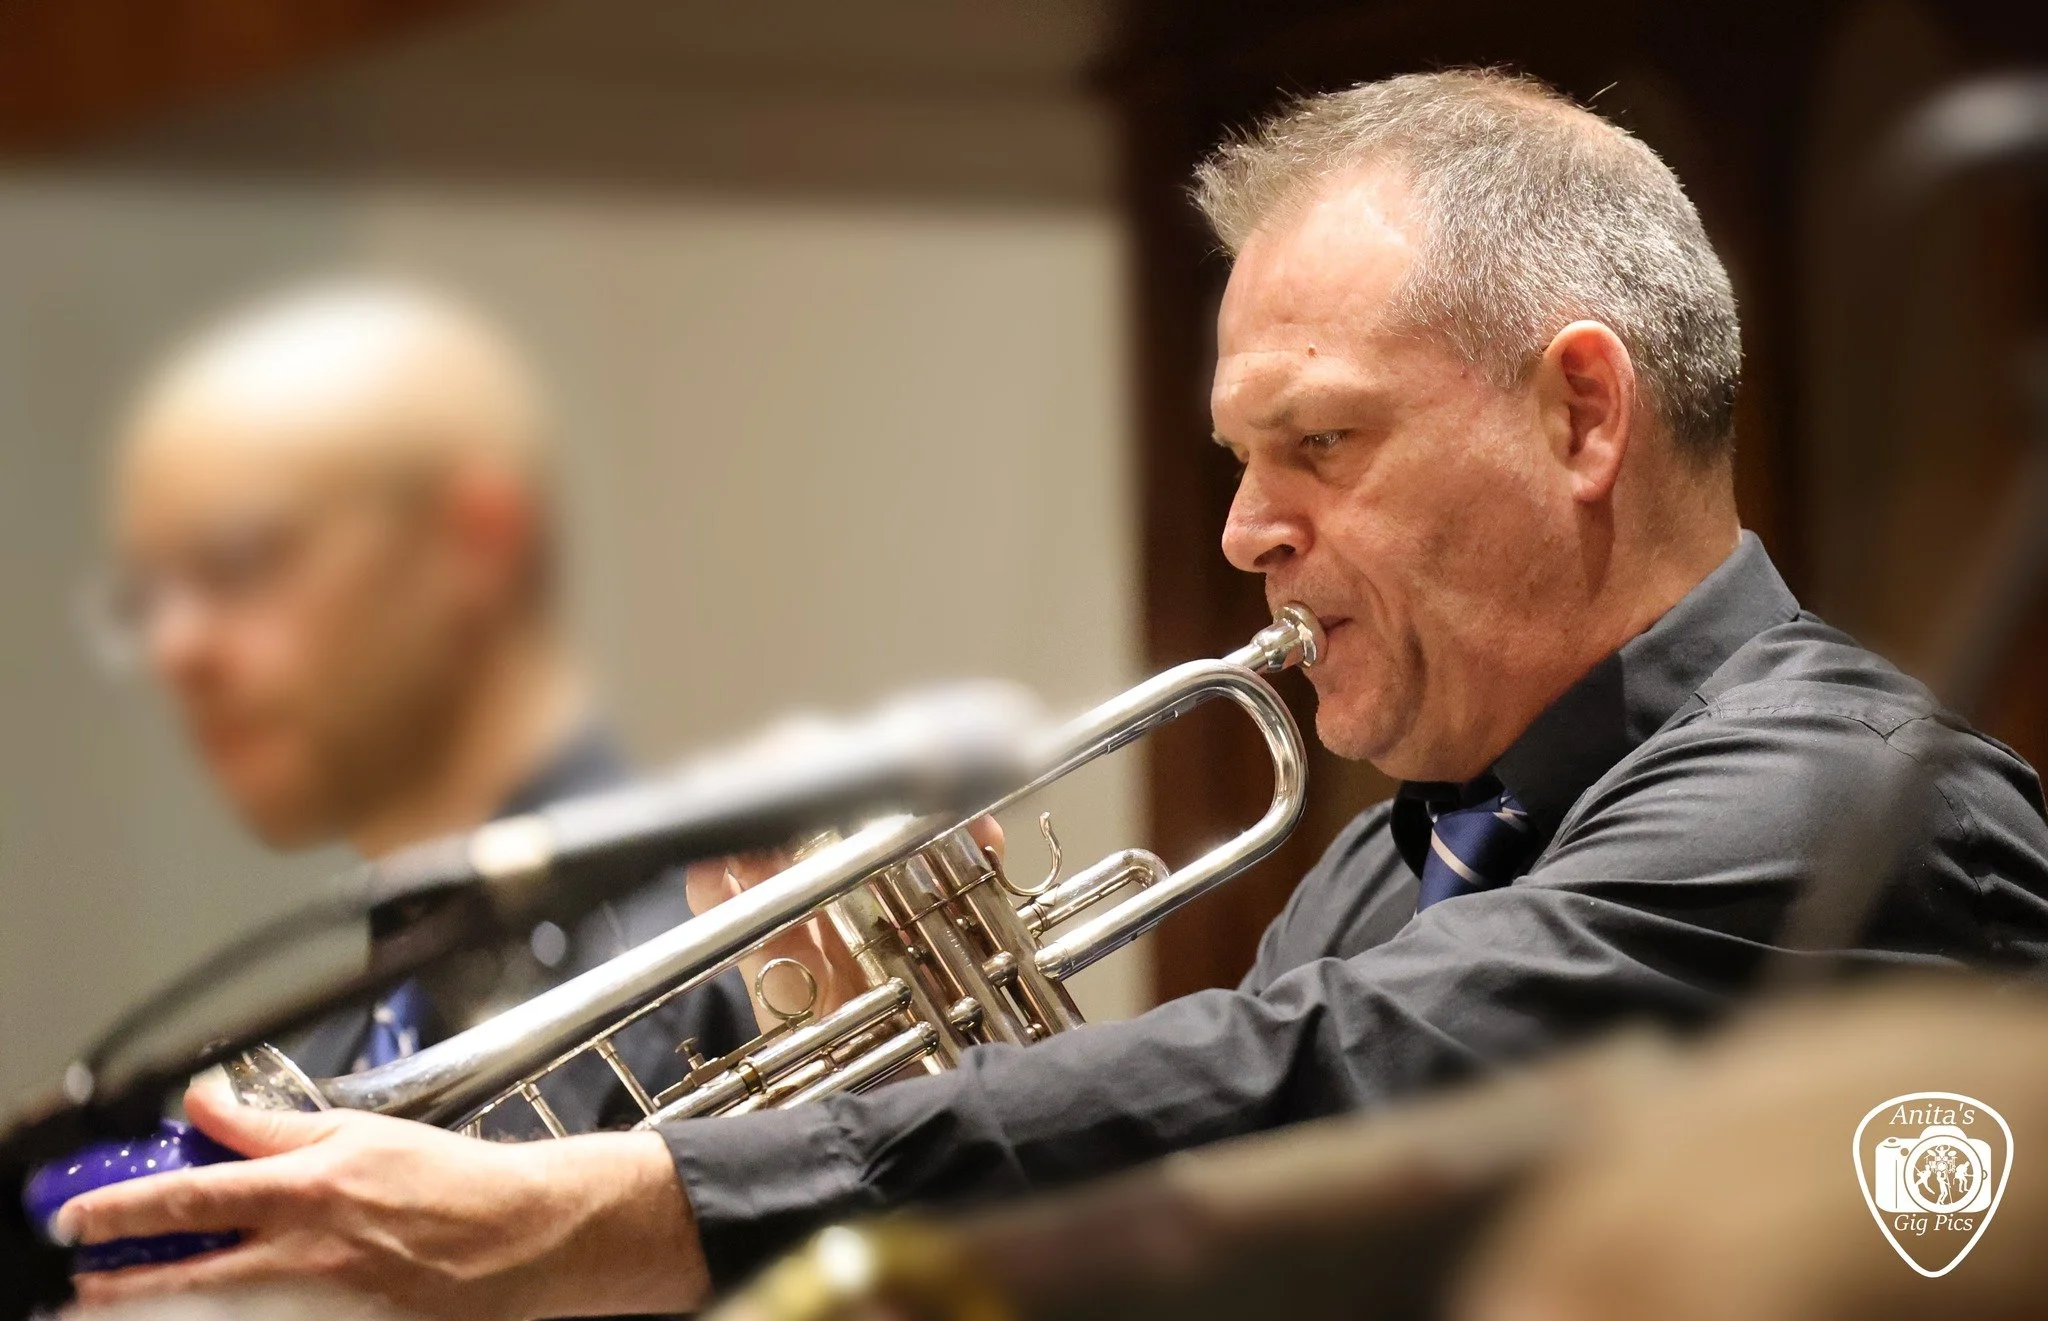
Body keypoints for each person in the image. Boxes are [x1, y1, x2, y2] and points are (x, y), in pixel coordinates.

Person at [52, 70, 2048, 1318]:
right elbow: (1221, 1239)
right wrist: (855, 1069)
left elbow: (1320, 1080)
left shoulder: (1845, 806)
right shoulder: (1383, 866)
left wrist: (634, 1202)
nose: (1247, 531)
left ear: (1581, 414)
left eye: (1319, 445)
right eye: (1234, 464)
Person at [92, 278, 755, 1133]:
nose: (175, 648)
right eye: (144, 598)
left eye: (240, 558)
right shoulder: (335, 1052)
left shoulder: (753, 964)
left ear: (475, 545)